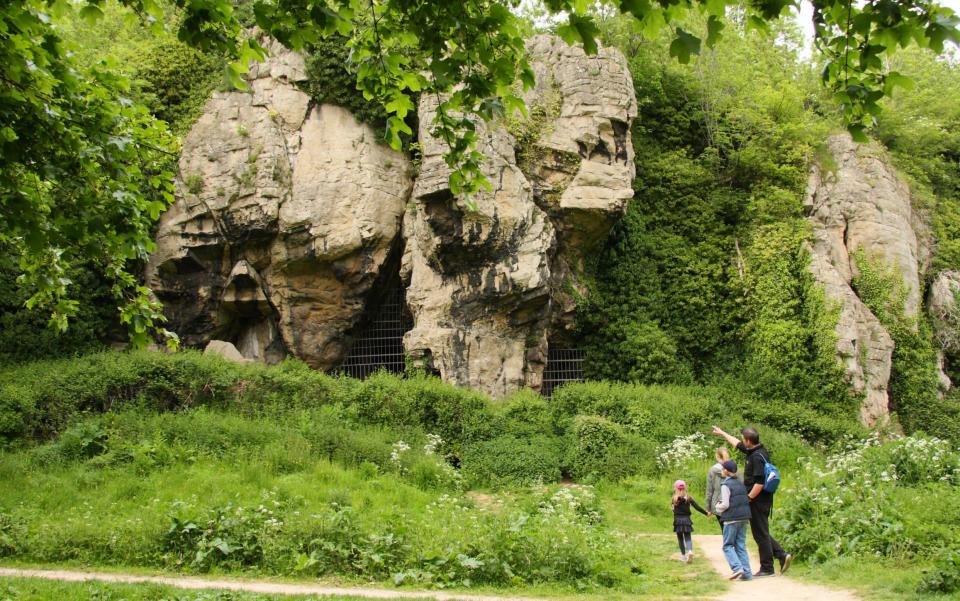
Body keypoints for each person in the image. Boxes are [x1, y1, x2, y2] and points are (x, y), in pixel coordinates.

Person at [712, 425, 793, 577]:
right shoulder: (757, 450)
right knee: (762, 531)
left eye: (744, 439)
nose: (742, 441)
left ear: (749, 441)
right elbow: (737, 443)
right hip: (760, 500)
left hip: (758, 500)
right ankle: (781, 554)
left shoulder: (756, 457)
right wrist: (723, 433)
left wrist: (748, 499)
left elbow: (759, 483)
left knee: (760, 534)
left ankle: (767, 568)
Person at [714, 459, 753, 581]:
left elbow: (725, 504)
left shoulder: (726, 485)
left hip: (731, 519)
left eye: (722, 468)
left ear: (726, 471)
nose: (721, 470)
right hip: (744, 517)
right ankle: (747, 573)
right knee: (740, 545)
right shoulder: (741, 483)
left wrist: (717, 507)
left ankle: (737, 568)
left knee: (727, 546)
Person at [672, 479, 708, 563]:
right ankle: (690, 551)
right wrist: (706, 513)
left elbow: (673, 510)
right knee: (688, 537)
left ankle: (683, 556)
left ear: (675, 488)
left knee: (680, 538)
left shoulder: (674, 498)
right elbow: (697, 507)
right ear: (685, 488)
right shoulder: (688, 498)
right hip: (687, 520)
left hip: (677, 520)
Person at [706, 447, 732, 533]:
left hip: (718, 503)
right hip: (732, 502)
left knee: (724, 529)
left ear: (717, 456)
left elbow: (710, 490)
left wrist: (708, 508)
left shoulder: (712, 470)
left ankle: (727, 545)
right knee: (732, 530)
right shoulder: (733, 469)